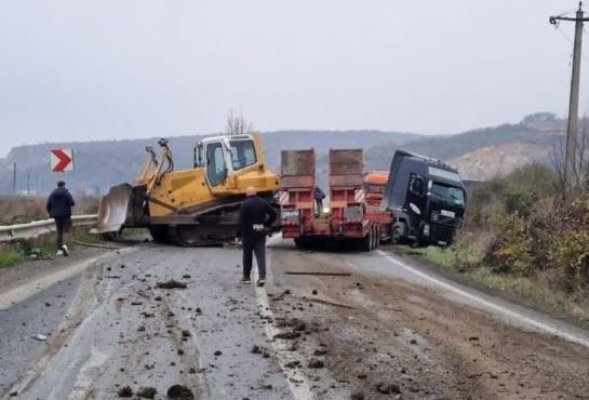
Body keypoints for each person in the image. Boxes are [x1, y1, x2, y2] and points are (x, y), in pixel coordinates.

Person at [237, 186, 277, 287]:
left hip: (248, 232)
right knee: (260, 255)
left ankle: (246, 277)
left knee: (247, 255)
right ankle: (262, 277)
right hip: (260, 230)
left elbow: (241, 221)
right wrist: (267, 224)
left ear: (247, 194)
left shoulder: (244, 204)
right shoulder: (263, 202)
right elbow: (274, 214)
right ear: (256, 193)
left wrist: (237, 234)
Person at [46, 180, 75, 256]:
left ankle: (59, 249)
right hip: (66, 216)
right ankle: (65, 245)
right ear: (64, 185)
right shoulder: (67, 193)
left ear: (57, 185)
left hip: (56, 216)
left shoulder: (52, 194)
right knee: (66, 231)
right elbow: (72, 203)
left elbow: (48, 205)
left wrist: (51, 213)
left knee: (59, 232)